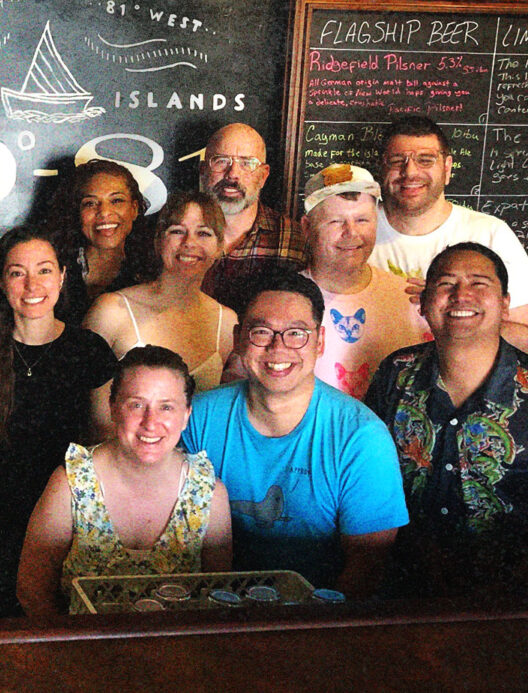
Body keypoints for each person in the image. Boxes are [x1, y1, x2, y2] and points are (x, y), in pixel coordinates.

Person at [181, 272, 408, 597]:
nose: (278, 347)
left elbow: (367, 566)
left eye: (296, 334)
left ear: (320, 342)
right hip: (213, 607)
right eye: (261, 332)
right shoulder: (198, 418)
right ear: (237, 338)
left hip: (319, 619)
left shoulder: (360, 438)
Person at [0, 226, 117, 617]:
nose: (32, 284)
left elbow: (103, 445)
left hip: (65, 525)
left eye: (44, 270)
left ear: (62, 276)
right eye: (17, 272)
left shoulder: (89, 351)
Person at [17, 346, 231, 618]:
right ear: (113, 408)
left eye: (166, 407)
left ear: (187, 415)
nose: (150, 423)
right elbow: (32, 590)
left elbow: (217, 597)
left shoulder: (208, 492)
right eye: (136, 405)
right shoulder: (71, 482)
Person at [365, 242, 528, 600]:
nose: (461, 296)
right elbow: (365, 478)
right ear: (424, 303)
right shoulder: (396, 373)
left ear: (504, 303)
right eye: (445, 284)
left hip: (509, 605)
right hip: (402, 592)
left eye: (479, 284)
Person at [369, 115, 528, 329]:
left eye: (425, 160)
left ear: (447, 167)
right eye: (397, 161)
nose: (411, 172)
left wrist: (455, 311)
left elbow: (524, 336)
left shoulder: (490, 235)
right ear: (381, 168)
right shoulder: (351, 232)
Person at [84, 190, 237, 396]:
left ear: (220, 247)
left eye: (203, 233)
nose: (189, 243)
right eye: (177, 231)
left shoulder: (226, 323)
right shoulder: (110, 312)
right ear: (159, 242)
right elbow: (85, 413)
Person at [300, 163, 429, 399]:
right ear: (307, 229)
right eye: (335, 221)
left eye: (362, 220)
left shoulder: (410, 299)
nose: (351, 232)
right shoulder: (282, 303)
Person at [198, 123, 308, 315]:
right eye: (221, 161)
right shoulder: (175, 236)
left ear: (264, 175)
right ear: (203, 170)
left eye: (247, 163)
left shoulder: (295, 240)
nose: (232, 174)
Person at [49, 159, 150, 325]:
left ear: (134, 209)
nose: (104, 212)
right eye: (90, 203)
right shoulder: (53, 269)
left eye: (116, 200)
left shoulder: (152, 273)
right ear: (77, 212)